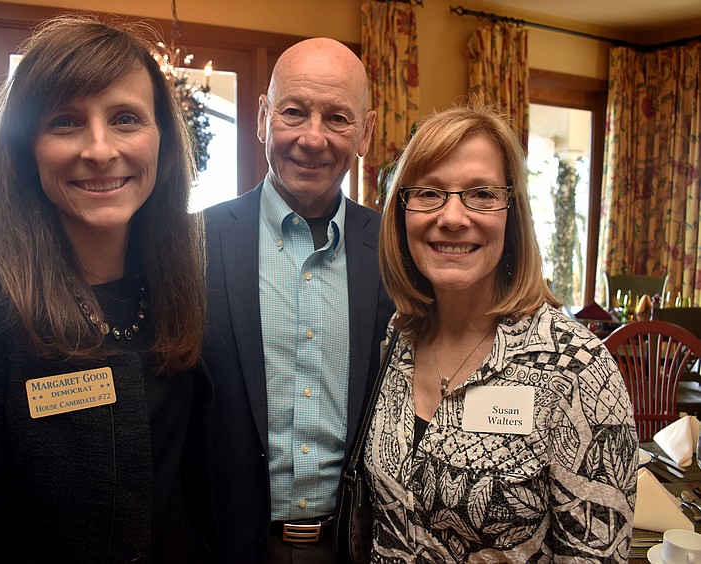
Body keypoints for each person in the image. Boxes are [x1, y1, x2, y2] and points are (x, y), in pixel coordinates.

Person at [0, 15, 213, 563]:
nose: (99, 148)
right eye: (65, 122)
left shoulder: (178, 275)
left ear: (161, 137)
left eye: (126, 119)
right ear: (26, 148)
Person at [366, 97, 638, 562]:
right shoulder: (399, 337)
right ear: (401, 212)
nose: (452, 218)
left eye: (482, 194)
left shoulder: (578, 369)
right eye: (429, 193)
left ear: (512, 213)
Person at [202, 37, 394, 563]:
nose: (313, 139)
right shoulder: (194, 245)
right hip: (227, 546)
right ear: (263, 117)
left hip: (357, 546)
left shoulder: (397, 250)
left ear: (366, 133)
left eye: (337, 118)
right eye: (294, 112)